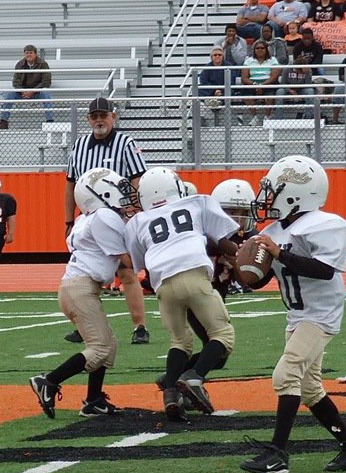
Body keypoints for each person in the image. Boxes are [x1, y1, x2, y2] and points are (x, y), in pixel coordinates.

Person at [239, 155, 346, 473]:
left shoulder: (325, 224)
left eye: (273, 190)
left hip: (321, 313)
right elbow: (263, 278)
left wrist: (279, 253)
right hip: (299, 315)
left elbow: (325, 271)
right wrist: (243, 270)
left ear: (296, 194)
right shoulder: (273, 229)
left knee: (285, 375)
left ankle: (277, 453)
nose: (266, 197)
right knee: (310, 389)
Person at [126, 167, 240, 419]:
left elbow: (139, 262)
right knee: (223, 334)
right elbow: (222, 239)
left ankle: (170, 393)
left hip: (163, 282)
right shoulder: (197, 203)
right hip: (193, 271)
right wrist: (238, 252)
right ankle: (194, 378)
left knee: (180, 341)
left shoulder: (137, 222)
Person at [28, 168, 138, 420]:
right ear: (100, 193)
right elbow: (127, 261)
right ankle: (49, 381)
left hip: (77, 288)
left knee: (108, 345)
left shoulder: (87, 218)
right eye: (118, 190)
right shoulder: (103, 217)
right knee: (100, 348)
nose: (124, 197)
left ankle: (94, 400)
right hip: (81, 289)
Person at [64, 96, 150, 344]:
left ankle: (140, 326)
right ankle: (84, 326)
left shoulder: (125, 143)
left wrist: (135, 210)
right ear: (88, 119)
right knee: (85, 271)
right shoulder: (79, 146)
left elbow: (137, 179)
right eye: (94, 116)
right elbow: (70, 184)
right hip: (88, 217)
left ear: (113, 117)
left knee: (126, 270)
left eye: (104, 115)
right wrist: (68, 220)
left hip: (118, 215)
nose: (99, 120)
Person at [0, 44, 54, 129]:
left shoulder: (43, 64)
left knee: (46, 92)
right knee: (10, 94)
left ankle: (50, 121)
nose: (29, 55)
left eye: (31, 53)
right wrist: (23, 91)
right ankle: (3, 121)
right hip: (22, 92)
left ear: (35, 54)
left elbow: (46, 82)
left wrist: (32, 91)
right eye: (27, 53)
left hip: (38, 92)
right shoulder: (20, 64)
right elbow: (15, 82)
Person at [240, 41, 282, 124]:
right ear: (254, 50)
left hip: (268, 82)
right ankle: (255, 117)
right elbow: (244, 78)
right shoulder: (248, 60)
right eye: (257, 48)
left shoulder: (273, 60)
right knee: (247, 96)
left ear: (266, 49)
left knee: (269, 97)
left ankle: (267, 116)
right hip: (252, 83)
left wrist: (262, 85)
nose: (260, 50)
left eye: (262, 48)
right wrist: (255, 85)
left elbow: (274, 76)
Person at [275, 50, 317, 118]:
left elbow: (308, 85)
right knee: (279, 92)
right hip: (288, 89)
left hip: (301, 89)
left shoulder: (307, 70)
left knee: (310, 91)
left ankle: (309, 116)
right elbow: (282, 83)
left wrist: (307, 74)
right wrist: (289, 90)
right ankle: (278, 117)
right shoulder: (287, 69)